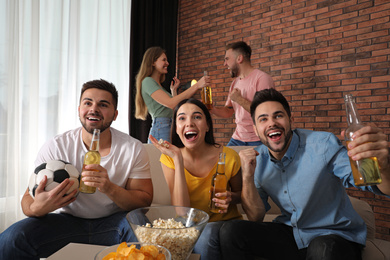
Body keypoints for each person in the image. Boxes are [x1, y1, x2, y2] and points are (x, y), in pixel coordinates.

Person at [219, 88, 390, 260]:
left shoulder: (322, 145)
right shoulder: (258, 158)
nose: (272, 123)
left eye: (278, 116)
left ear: (291, 120)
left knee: (321, 248)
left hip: (334, 235)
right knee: (231, 232)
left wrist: (382, 166)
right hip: (292, 234)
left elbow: (374, 184)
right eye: (263, 119)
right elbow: (256, 216)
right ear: (255, 130)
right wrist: (247, 176)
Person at [0, 79, 153, 260]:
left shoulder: (132, 148)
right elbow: (27, 200)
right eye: (88, 103)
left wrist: (110, 188)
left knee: (144, 234)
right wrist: (38, 208)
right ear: (79, 109)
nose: (94, 109)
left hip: (115, 223)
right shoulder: (56, 146)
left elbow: (144, 201)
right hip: (66, 223)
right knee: (11, 240)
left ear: (115, 114)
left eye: (103, 105)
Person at [149, 98, 243, 260]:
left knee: (209, 233)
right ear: (177, 129)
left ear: (207, 126)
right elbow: (181, 211)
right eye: (182, 118)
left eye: (197, 117)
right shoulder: (170, 159)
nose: (189, 123)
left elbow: (241, 196)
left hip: (225, 225)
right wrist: (178, 159)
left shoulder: (229, 156)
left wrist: (231, 197)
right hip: (190, 225)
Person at [135, 46, 210, 143]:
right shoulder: (147, 81)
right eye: (164, 60)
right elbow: (170, 103)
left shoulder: (158, 86)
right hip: (162, 127)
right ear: (153, 62)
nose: (167, 63)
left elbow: (174, 107)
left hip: (168, 126)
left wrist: (173, 91)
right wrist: (197, 86)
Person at [210, 41, 275, 146]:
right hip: (238, 138)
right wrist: (212, 109)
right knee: (224, 161)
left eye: (227, 59)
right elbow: (228, 111)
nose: (225, 64)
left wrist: (239, 99)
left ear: (239, 59)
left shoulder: (262, 79)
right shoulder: (235, 83)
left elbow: (265, 113)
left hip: (259, 139)